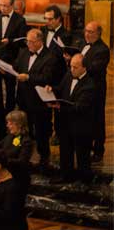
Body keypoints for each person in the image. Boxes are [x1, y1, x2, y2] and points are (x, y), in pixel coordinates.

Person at [47, 53, 96, 182]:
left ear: (84, 68)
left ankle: (85, 180)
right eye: (71, 66)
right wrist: (51, 89)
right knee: (65, 152)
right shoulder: (69, 75)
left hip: (81, 126)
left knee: (82, 155)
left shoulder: (89, 85)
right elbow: (61, 88)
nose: (72, 70)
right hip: (65, 123)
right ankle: (66, 175)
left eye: (75, 67)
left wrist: (59, 107)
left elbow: (80, 107)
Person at [14, 28, 58, 167]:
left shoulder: (50, 57)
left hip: (39, 102)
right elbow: (16, 67)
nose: (28, 44)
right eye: (27, 41)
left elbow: (47, 77)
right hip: (23, 100)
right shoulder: (24, 53)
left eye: (32, 42)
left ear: (40, 41)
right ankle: (24, 156)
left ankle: (44, 159)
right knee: (25, 131)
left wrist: (28, 77)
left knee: (41, 132)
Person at [73, 21, 110, 162]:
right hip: (81, 86)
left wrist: (78, 62)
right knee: (84, 118)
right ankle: (84, 146)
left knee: (97, 119)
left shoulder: (103, 49)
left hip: (96, 89)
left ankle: (99, 149)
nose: (87, 34)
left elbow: (95, 68)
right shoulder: (82, 43)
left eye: (91, 32)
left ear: (98, 33)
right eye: (86, 31)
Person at [0, 110, 35, 187]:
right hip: (4, 175)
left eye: (10, 123)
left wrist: (3, 160)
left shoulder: (26, 141)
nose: (7, 125)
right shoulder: (10, 136)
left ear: (19, 124)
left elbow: (22, 162)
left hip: (16, 178)